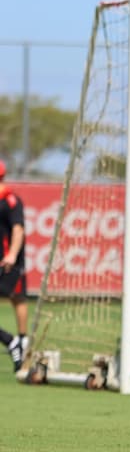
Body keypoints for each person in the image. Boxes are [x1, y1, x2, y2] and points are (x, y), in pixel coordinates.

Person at [0, 159, 28, 372]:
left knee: (18, 298)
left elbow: (18, 230)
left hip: (8, 265)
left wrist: (11, 255)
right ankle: (12, 342)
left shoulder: (10, 201)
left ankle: (19, 340)